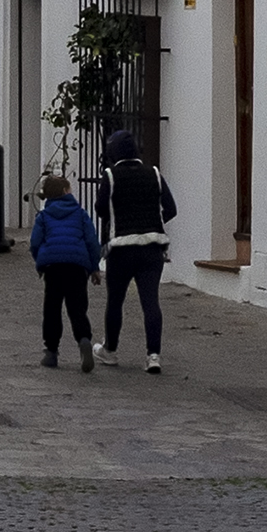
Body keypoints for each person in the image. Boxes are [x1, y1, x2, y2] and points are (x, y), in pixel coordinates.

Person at [95, 124, 175, 368]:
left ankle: (110, 350)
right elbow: (171, 209)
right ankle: (153, 356)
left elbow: (100, 209)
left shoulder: (110, 176)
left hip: (121, 249)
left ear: (113, 154)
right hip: (152, 248)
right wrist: (152, 221)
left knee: (115, 301)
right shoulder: (154, 173)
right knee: (150, 302)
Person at [29, 166, 103, 369]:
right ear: (64, 192)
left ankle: (51, 351)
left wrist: (40, 261)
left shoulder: (43, 217)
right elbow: (91, 242)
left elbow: (35, 242)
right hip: (76, 267)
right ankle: (84, 339)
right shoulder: (80, 214)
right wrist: (94, 267)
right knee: (77, 308)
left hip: (53, 267)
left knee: (52, 309)